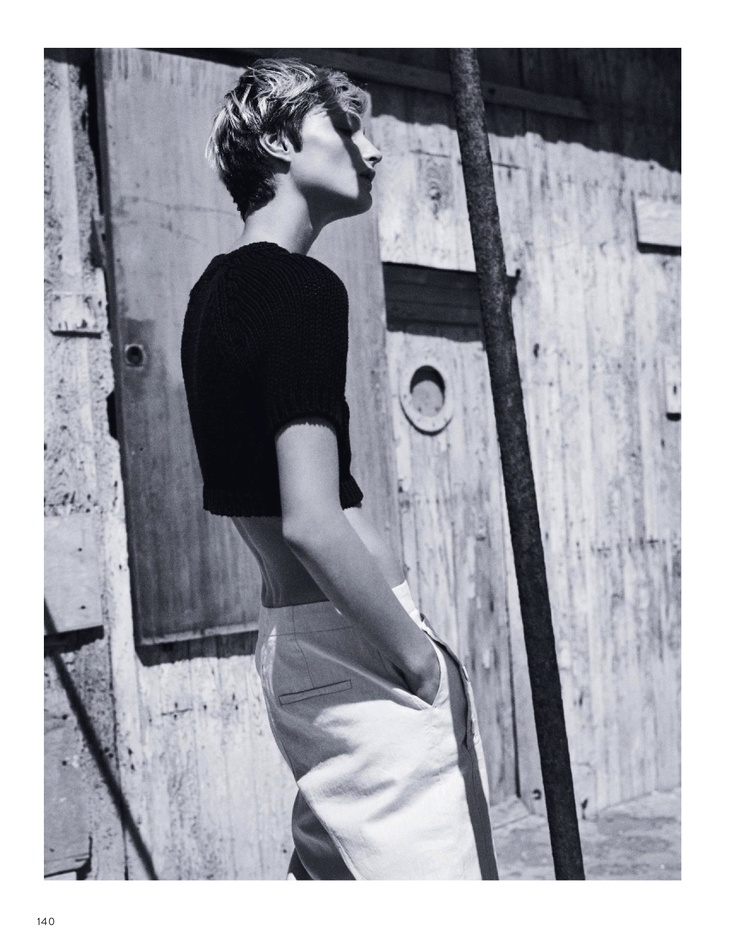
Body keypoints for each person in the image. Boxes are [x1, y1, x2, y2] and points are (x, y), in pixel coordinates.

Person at [181, 57, 498, 880]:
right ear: (281, 142)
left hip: (295, 643)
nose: (374, 150)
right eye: (348, 126)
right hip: (358, 646)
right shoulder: (301, 289)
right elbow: (313, 520)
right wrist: (420, 661)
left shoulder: (212, 292)